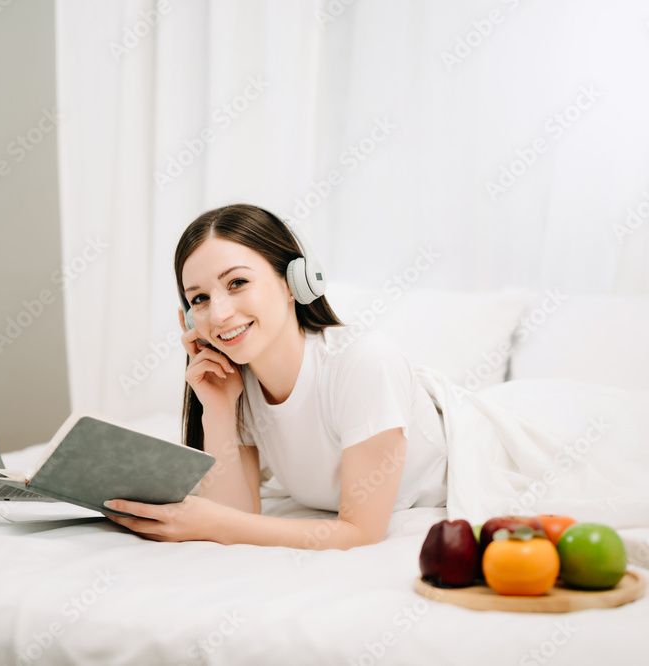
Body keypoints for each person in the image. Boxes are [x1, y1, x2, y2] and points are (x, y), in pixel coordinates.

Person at [103, 204, 448, 549]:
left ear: (294, 283)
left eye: (237, 283)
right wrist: (219, 410)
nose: (220, 314)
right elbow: (235, 516)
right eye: (201, 299)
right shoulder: (238, 383)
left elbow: (360, 532)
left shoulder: (364, 361)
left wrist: (208, 520)